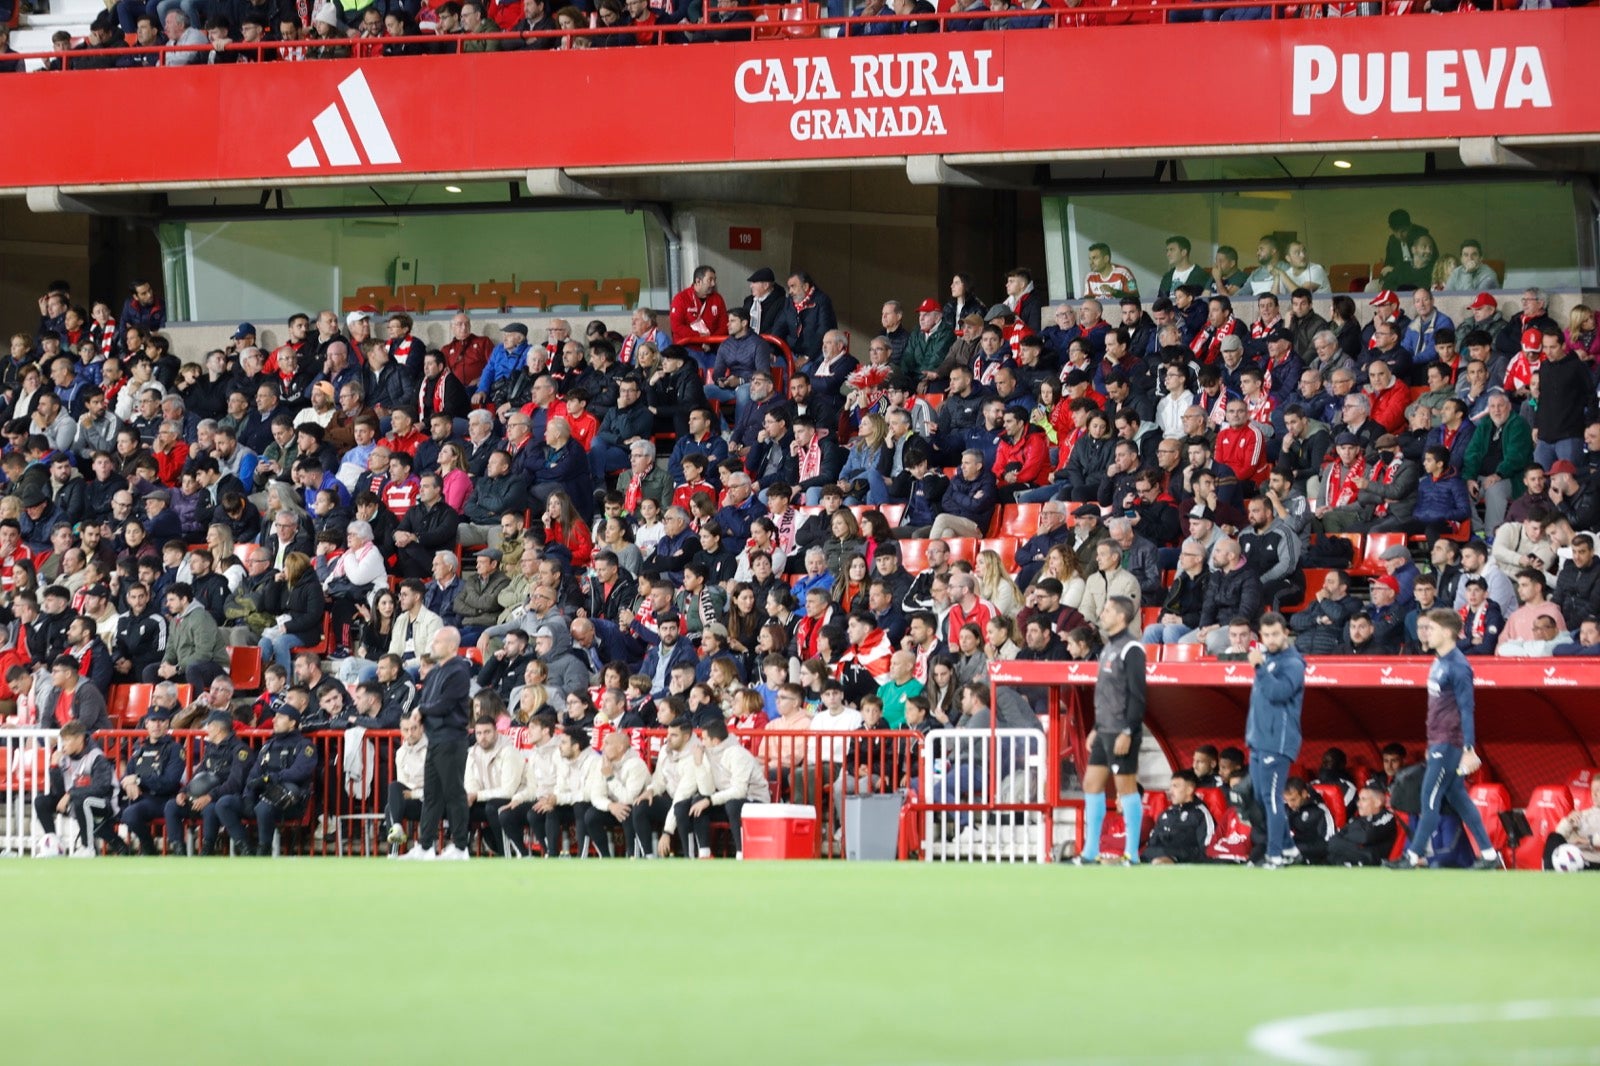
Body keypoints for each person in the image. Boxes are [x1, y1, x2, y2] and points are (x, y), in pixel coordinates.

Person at [1385, 609, 1502, 870]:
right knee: (1458, 798)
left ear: (1448, 633)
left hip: (1450, 743)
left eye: (1433, 629)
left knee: (1429, 798)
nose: (1427, 633)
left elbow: (1467, 709)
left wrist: (1469, 749)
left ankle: (1413, 856)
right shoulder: (1438, 661)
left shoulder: (1459, 666)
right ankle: (1490, 855)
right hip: (1438, 742)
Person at [1075, 596, 1145, 865]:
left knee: (1126, 788)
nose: (1101, 614)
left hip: (1122, 731)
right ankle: (1090, 852)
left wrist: (1128, 731)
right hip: (1104, 729)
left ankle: (1133, 853)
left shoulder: (1131, 649)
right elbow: (1106, 695)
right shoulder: (1108, 648)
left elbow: (1137, 695)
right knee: (1091, 784)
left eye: (1107, 610)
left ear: (1121, 617)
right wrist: (1095, 727)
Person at [402, 627, 474, 861]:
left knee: (454, 792)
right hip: (434, 740)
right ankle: (425, 846)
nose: (432, 645)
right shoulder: (434, 673)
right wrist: (420, 710)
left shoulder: (459, 671)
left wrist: (421, 711)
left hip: (452, 739)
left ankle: (461, 846)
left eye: (438, 641)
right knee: (432, 795)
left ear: (452, 646)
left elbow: (444, 705)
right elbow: (426, 701)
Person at [213, 703, 317, 857]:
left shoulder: (305, 745)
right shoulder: (268, 745)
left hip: (288, 801)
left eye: (280, 717)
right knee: (224, 803)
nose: (274, 720)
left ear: (292, 722)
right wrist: (248, 796)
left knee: (263, 808)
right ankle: (246, 848)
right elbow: (253, 774)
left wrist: (271, 778)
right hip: (259, 797)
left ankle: (264, 850)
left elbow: (299, 772)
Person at [1245, 611, 1305, 867]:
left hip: (1278, 742)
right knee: (1260, 798)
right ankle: (1289, 848)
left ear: (1286, 633)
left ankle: (1275, 854)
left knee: (1272, 799)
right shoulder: (1268, 659)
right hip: (1259, 740)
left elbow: (1278, 693)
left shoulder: (1293, 663)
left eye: (1275, 634)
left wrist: (1258, 667)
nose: (1270, 639)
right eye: (1266, 635)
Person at [164, 710, 252, 856]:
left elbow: (235, 783)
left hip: (226, 798)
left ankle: (207, 849)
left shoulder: (240, 750)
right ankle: (178, 850)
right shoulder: (211, 749)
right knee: (172, 805)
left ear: (217, 729)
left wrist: (210, 796)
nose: (206, 730)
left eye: (208, 726)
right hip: (202, 797)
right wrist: (184, 792)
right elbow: (199, 773)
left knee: (211, 808)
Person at [679, 716, 769, 859]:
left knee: (733, 804)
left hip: (754, 801)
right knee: (698, 802)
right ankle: (704, 854)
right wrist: (699, 764)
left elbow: (740, 791)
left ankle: (742, 854)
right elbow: (706, 791)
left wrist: (710, 800)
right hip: (726, 800)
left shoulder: (737, 754)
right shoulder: (706, 753)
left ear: (715, 741)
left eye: (704, 739)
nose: (701, 742)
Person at [33, 720, 119, 857]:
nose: (63, 745)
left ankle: (88, 847)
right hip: (76, 801)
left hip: (105, 802)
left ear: (79, 739)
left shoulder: (96, 756)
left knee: (82, 801)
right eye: (63, 740)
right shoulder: (65, 758)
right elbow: (60, 791)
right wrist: (54, 767)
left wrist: (70, 794)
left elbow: (101, 788)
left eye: (67, 740)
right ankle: (54, 846)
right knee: (41, 801)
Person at [117, 704, 185, 855]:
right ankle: (143, 847)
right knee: (118, 811)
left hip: (164, 800)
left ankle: (154, 848)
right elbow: (126, 777)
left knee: (130, 813)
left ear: (167, 723)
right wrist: (128, 785)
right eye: (153, 721)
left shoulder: (174, 749)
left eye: (161, 721)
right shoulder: (139, 749)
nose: (157, 725)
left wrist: (139, 780)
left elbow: (169, 782)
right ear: (146, 723)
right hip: (141, 799)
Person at [583, 730, 652, 858]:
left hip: (636, 808)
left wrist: (610, 777)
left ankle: (633, 855)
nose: (602, 747)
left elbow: (629, 798)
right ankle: (605, 856)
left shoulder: (636, 764)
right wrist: (610, 806)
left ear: (620, 748)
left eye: (607, 744)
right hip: (614, 808)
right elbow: (596, 795)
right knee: (591, 816)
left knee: (626, 810)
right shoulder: (602, 763)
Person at [464, 713, 521, 855]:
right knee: (459, 804)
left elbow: (508, 791)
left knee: (492, 807)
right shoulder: (472, 753)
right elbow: (471, 783)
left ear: (496, 732)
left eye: (487, 732)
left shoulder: (509, 752)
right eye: (479, 733)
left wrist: (476, 795)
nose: (483, 737)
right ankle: (462, 850)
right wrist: (470, 796)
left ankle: (505, 852)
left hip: (512, 801)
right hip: (484, 799)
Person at [1141, 770, 1213, 865]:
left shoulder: (1201, 814)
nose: (1170, 791)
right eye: (1170, 786)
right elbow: (1151, 844)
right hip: (1156, 858)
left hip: (1183, 866)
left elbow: (1207, 851)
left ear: (1189, 790)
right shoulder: (1165, 814)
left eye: (1175, 786)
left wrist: (1175, 858)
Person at [383, 713, 429, 853]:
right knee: (393, 793)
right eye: (406, 730)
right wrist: (412, 793)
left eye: (414, 728)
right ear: (401, 731)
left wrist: (414, 793)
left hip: (433, 801)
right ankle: (395, 845)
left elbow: (438, 786)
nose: (410, 733)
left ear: (422, 728)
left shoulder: (434, 750)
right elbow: (403, 785)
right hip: (414, 799)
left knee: (392, 805)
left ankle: (394, 847)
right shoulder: (401, 753)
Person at [1328, 784, 1399, 867]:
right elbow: (1333, 840)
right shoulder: (1357, 819)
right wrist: (1357, 846)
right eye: (1359, 799)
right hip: (1357, 856)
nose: (1358, 804)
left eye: (1363, 799)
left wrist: (1344, 842)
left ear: (1377, 802)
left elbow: (1365, 836)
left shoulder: (1387, 817)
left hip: (1372, 863)